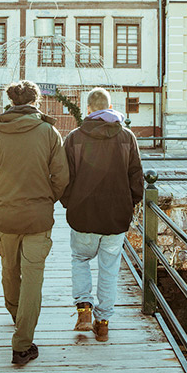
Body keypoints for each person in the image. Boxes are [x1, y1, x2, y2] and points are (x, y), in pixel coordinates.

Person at [0, 80, 69, 365]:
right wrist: (47, 198)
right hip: (37, 217)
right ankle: (22, 344)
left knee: (9, 269)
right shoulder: (48, 132)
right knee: (32, 278)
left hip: (5, 214)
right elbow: (62, 176)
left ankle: (17, 315)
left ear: (11, 102)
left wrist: (0, 197)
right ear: (35, 102)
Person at [61, 87, 144, 342]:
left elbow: (65, 177)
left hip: (83, 214)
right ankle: (103, 323)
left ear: (88, 109)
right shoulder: (126, 136)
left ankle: (84, 309)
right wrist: (131, 203)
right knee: (109, 268)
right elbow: (136, 175)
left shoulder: (74, 137)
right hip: (115, 216)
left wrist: (69, 203)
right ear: (109, 107)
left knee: (80, 259)